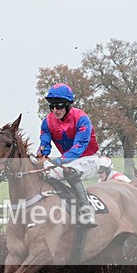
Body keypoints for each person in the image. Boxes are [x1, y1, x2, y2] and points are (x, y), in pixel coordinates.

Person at [35, 83, 100, 224]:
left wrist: (60, 160)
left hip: (89, 159)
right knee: (46, 173)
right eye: (51, 106)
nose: (55, 110)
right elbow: (44, 145)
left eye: (59, 106)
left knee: (71, 171)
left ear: (68, 104)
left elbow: (79, 147)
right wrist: (41, 154)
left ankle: (86, 209)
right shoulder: (47, 122)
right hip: (67, 160)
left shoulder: (82, 118)